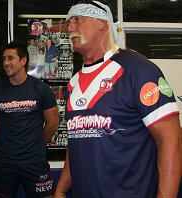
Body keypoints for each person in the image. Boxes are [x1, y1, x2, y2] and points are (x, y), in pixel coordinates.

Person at [54, 1, 181, 198]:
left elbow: (170, 140)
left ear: (101, 23)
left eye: (77, 20)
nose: (69, 27)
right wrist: (61, 189)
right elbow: (78, 140)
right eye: (68, 22)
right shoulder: (74, 83)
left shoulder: (138, 70)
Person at [0, 41, 59, 197]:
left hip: (34, 162)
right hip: (4, 162)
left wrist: (36, 144)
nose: (6, 63)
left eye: (11, 58)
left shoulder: (41, 89)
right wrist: (6, 143)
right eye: (4, 59)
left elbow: (52, 124)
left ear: (23, 60)